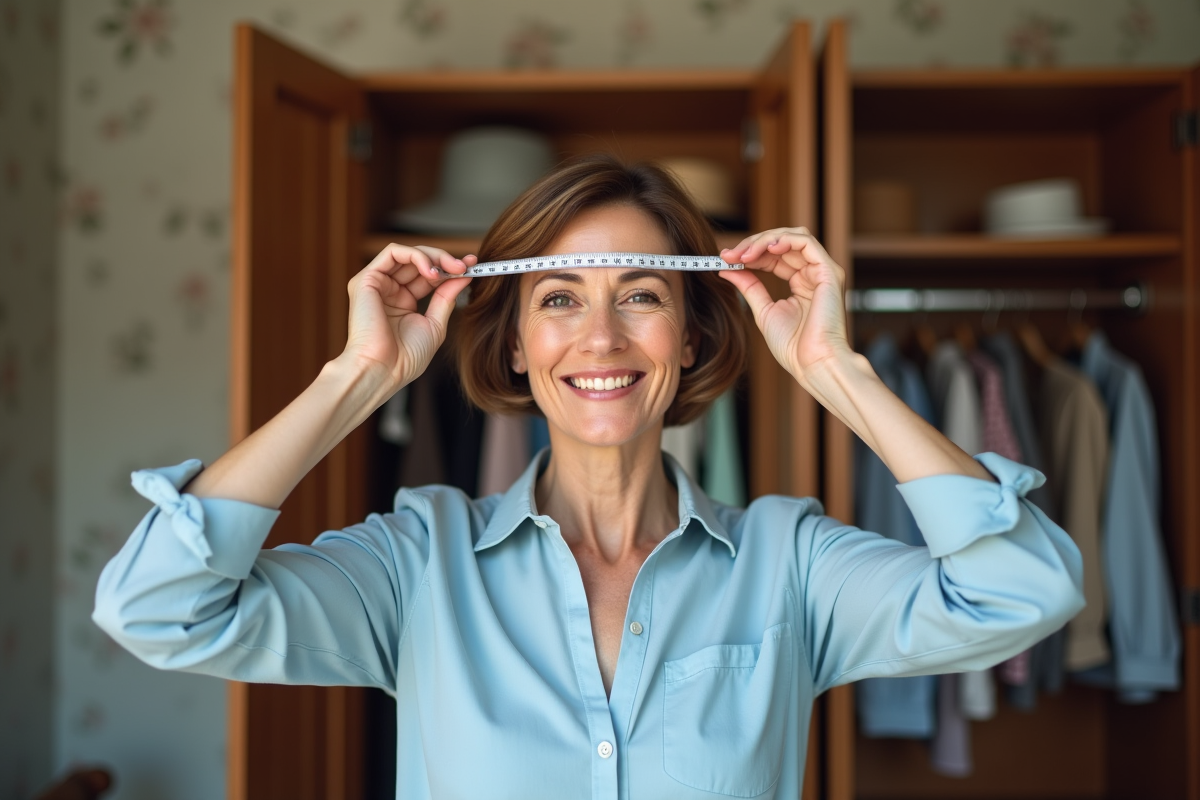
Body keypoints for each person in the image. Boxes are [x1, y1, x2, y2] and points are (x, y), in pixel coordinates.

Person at [93, 155, 1084, 799]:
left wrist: (840, 372)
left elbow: (1024, 590)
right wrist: (356, 377)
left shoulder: (791, 563)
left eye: (641, 295)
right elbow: (156, 605)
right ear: (518, 343)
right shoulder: (417, 563)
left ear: (692, 337)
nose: (601, 336)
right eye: (559, 297)